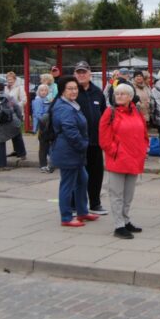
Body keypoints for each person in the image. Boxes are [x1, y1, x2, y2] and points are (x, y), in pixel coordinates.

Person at [99, 82, 148, 239]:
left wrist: (144, 148)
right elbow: (104, 137)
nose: (119, 96)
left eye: (123, 94)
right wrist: (114, 151)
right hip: (118, 159)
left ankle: (126, 220)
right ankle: (119, 225)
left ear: (130, 97)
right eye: (117, 94)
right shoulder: (110, 112)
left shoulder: (136, 111)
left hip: (134, 158)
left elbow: (144, 132)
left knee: (128, 194)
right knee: (116, 194)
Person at [50, 77, 98, 227]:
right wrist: (83, 144)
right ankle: (66, 217)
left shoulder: (71, 104)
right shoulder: (63, 107)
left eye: (75, 88)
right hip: (68, 151)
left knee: (82, 180)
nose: (73, 91)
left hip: (74, 151)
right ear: (62, 90)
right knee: (67, 184)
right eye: (70, 88)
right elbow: (70, 130)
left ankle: (82, 211)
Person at [74, 61, 108, 214]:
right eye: (78, 72)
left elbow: (104, 114)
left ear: (89, 73)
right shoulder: (72, 91)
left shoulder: (97, 92)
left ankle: (95, 203)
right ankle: (74, 205)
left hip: (95, 141)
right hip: (78, 143)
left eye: (84, 72)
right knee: (78, 175)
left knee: (96, 174)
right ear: (75, 74)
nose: (81, 75)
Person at [32, 84, 54, 172]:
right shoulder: (38, 101)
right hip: (43, 125)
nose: (44, 92)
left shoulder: (47, 99)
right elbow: (38, 114)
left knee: (49, 145)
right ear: (38, 91)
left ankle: (52, 162)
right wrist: (45, 121)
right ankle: (43, 165)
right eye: (42, 90)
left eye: (45, 90)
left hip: (48, 125)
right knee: (43, 146)